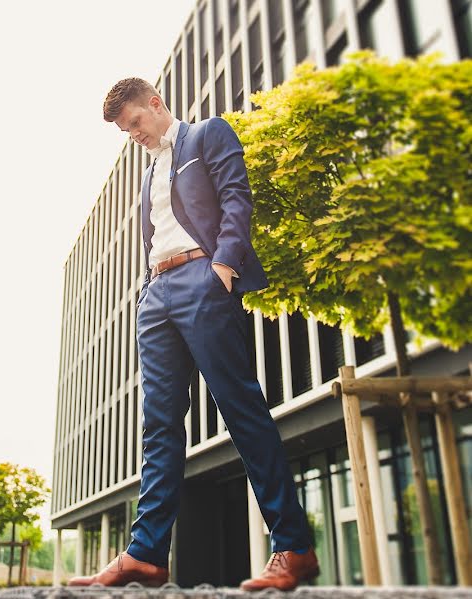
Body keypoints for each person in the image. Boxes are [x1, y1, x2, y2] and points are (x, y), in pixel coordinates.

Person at [67, 78, 319, 592]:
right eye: (123, 130)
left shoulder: (207, 135)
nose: (131, 133)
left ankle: (293, 547)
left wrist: (223, 267)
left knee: (241, 410)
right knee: (158, 424)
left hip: (203, 279)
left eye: (134, 122)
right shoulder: (148, 171)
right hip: (157, 293)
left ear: (155, 104)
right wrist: (146, 292)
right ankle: (145, 555)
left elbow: (235, 200)